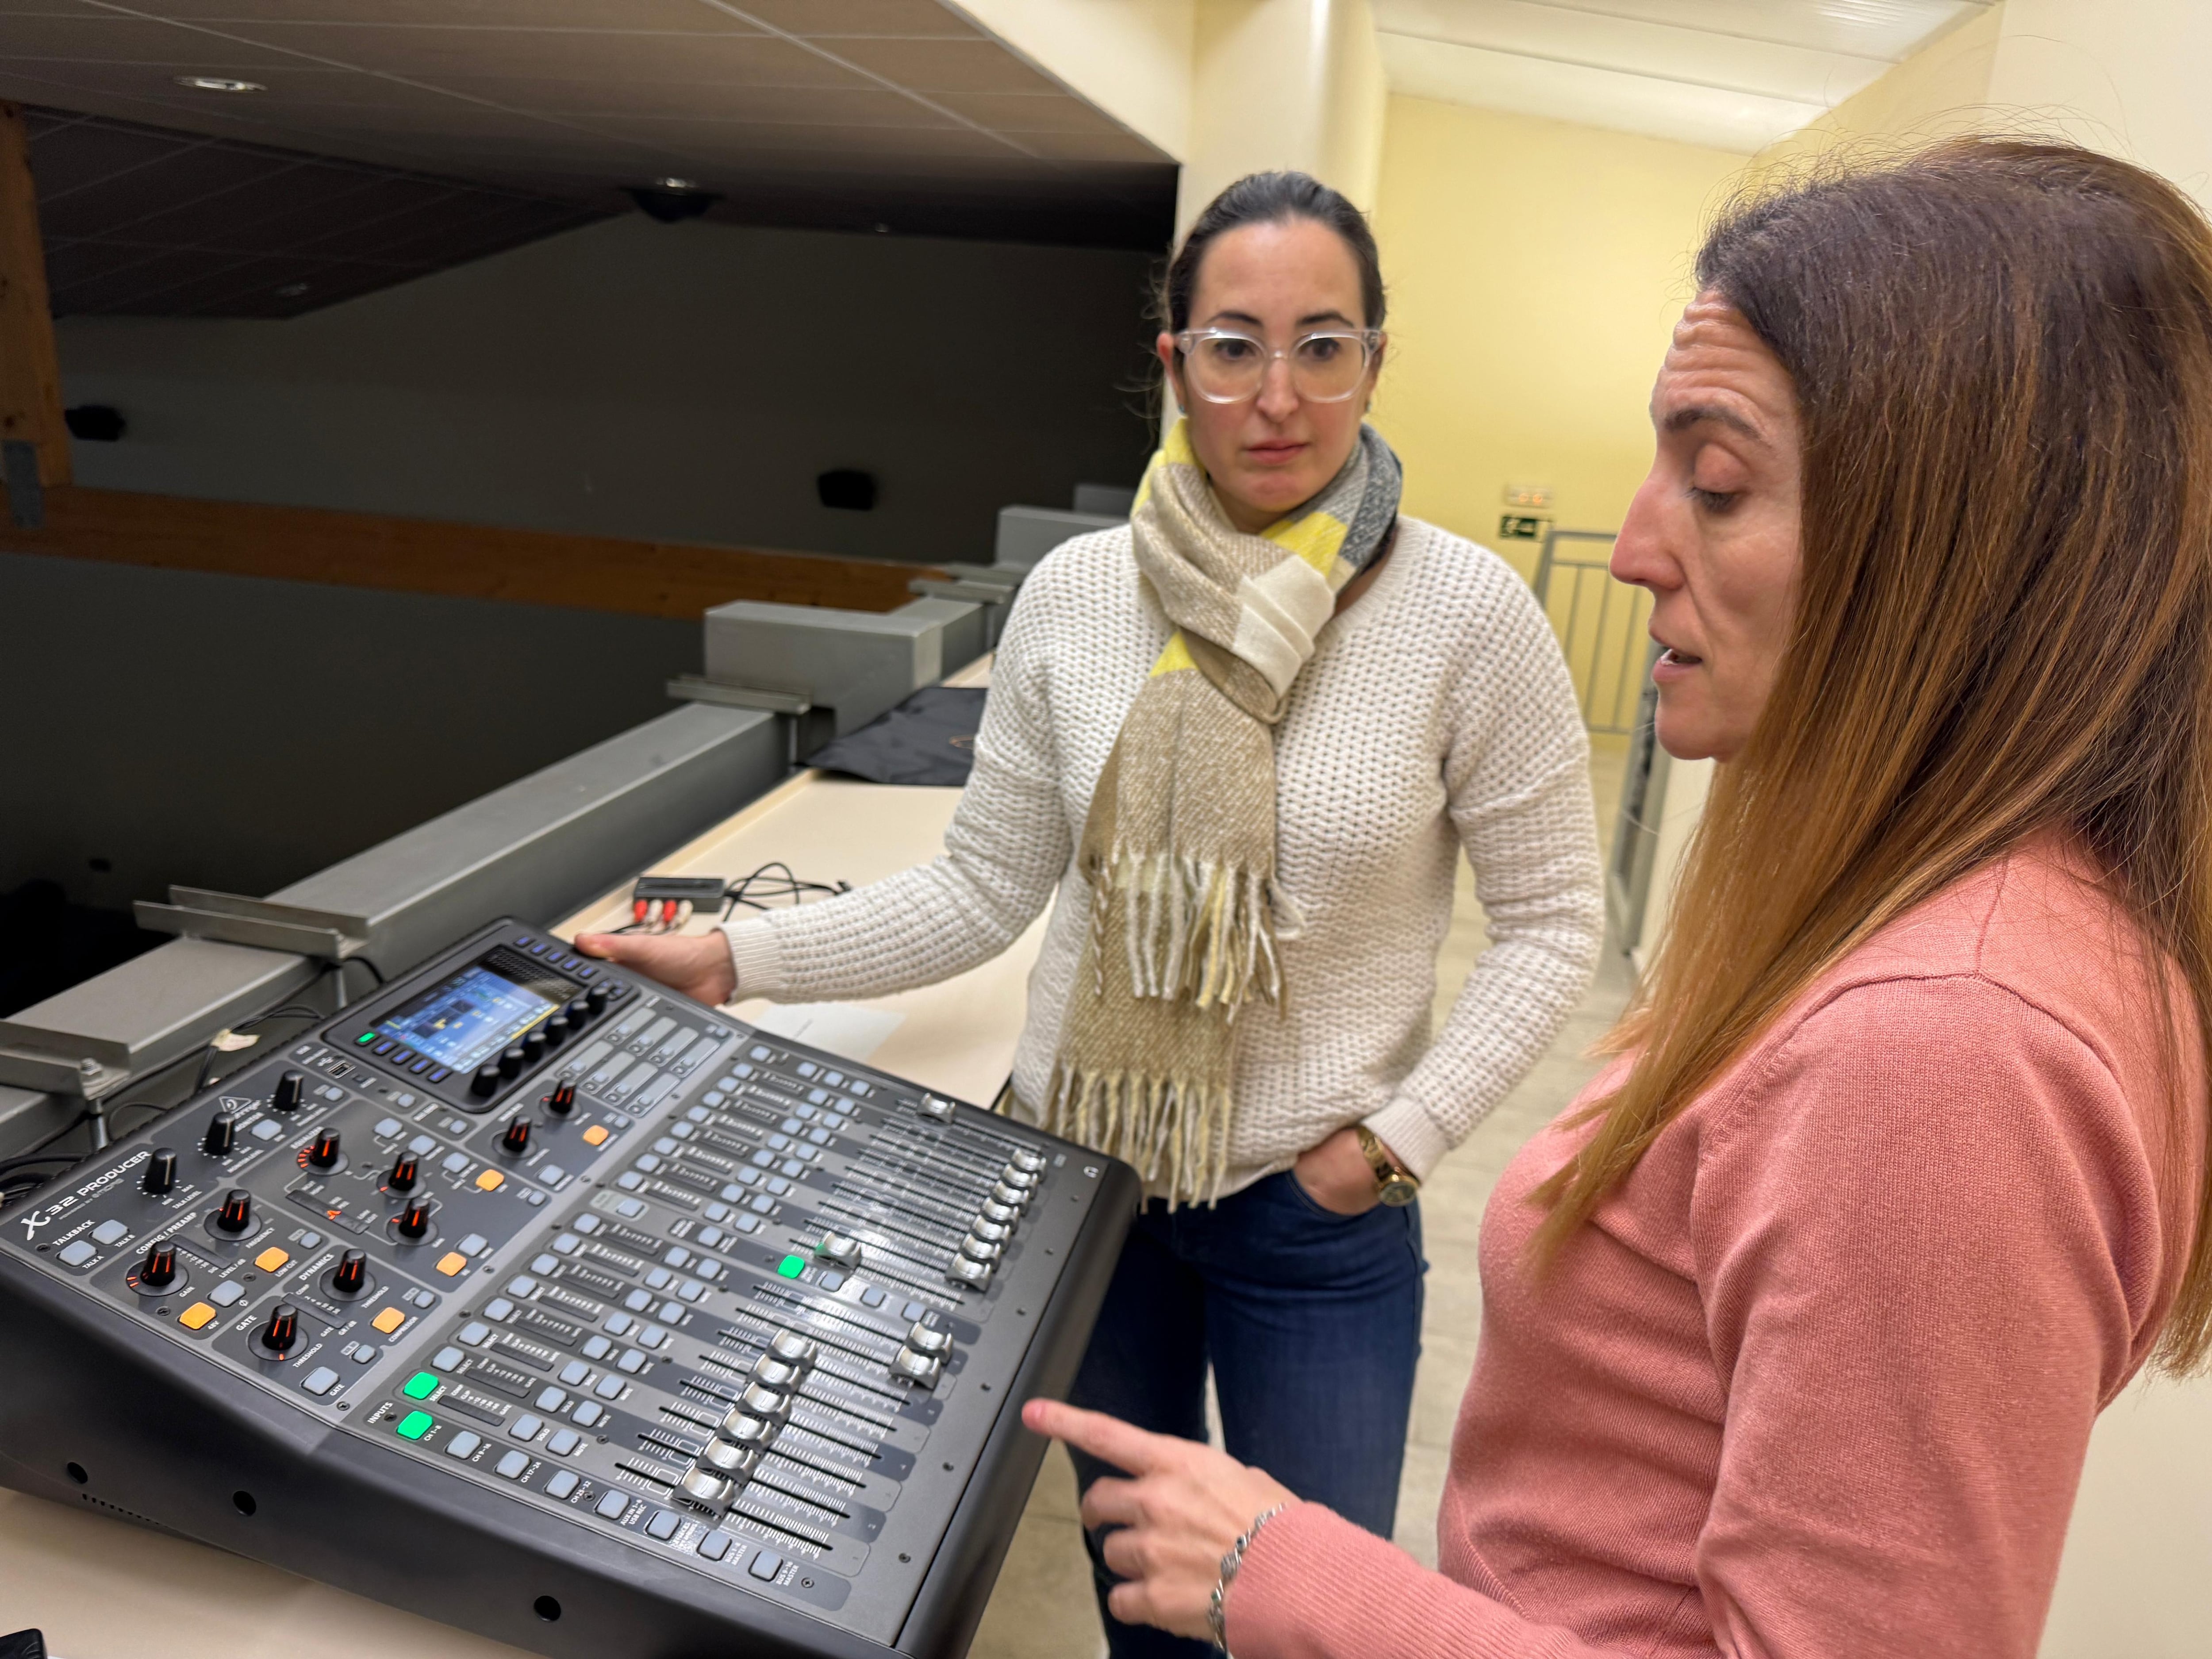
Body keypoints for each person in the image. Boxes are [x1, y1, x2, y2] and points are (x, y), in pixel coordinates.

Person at [1024, 138, 2212, 1659]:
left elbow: (1546, 928)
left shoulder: (1946, 1047)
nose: (1637, 545)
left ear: (1961, 545)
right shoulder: (1943, 935)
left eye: (1717, 484)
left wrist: (1294, 1570)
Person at [578, 171, 1604, 1654]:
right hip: (1088, 1195)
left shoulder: (1466, 615)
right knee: (1151, 1619)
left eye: (1325, 345)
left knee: (1307, 1625)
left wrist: (1390, 1146)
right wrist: (738, 956)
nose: (1279, 395)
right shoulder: (1073, 595)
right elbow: (985, 889)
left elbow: (1557, 921)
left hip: (1310, 1225)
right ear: (1174, 357)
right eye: (1236, 344)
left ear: (1377, 361)